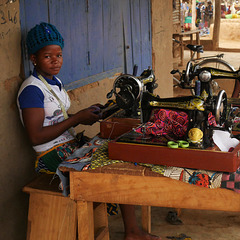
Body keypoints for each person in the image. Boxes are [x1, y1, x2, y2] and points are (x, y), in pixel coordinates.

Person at [17, 22, 162, 240]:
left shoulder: (54, 82)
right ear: (34, 59)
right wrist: (77, 118)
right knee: (115, 167)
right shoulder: (31, 90)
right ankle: (130, 231)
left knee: (121, 156)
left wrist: (89, 114)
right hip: (51, 156)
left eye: (59, 54)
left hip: (67, 145)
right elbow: (36, 136)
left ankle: (132, 231)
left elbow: (58, 118)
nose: (56, 60)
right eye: (48, 56)